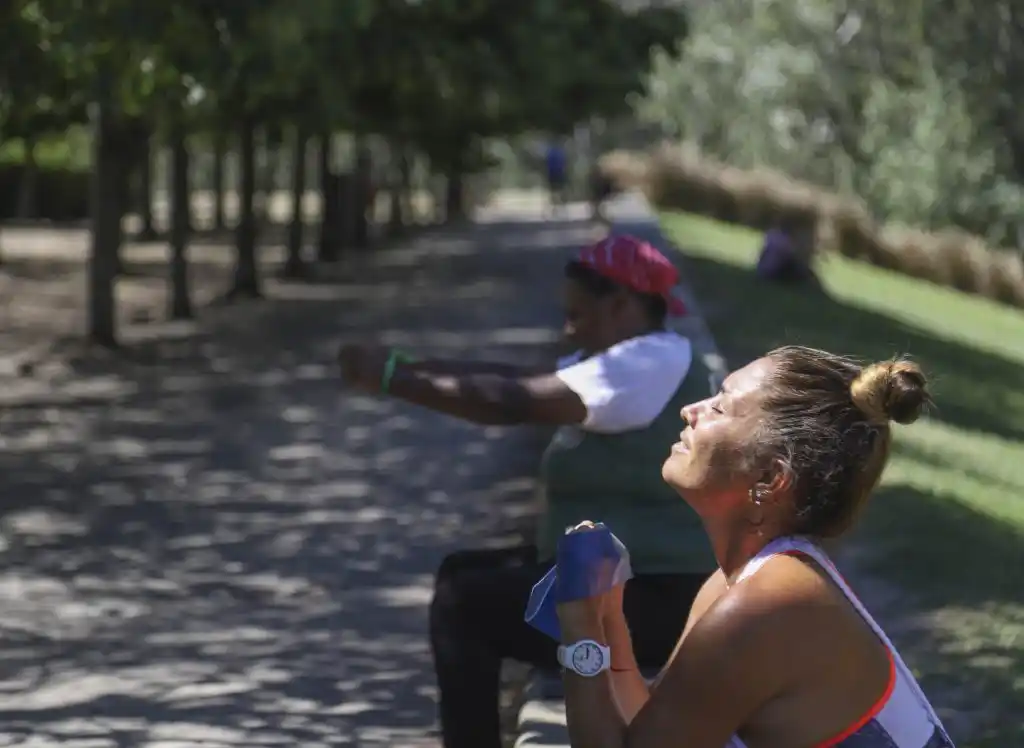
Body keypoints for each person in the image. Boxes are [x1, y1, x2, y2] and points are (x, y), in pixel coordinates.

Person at [337, 234, 719, 748]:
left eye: (578, 315)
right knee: (461, 572)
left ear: (622, 304)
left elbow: (512, 403)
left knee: (463, 604)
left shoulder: (641, 364)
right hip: (638, 582)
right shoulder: (641, 358)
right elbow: (514, 379)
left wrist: (391, 380)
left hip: (657, 598)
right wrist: (408, 366)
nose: (569, 329)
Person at [556, 347, 955, 748]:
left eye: (721, 408)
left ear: (770, 478)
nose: (691, 410)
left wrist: (582, 634)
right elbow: (655, 726)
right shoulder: (739, 583)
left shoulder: (769, 604)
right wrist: (605, 619)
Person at [755, 220, 814, 284]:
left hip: (761, 269)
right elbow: (791, 255)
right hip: (773, 271)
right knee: (796, 265)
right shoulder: (785, 240)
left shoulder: (771, 235)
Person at [545, 140, 569, 212]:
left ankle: (555, 206)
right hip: (559, 173)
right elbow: (564, 164)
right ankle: (558, 205)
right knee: (559, 190)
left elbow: (547, 164)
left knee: (554, 190)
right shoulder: (560, 152)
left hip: (552, 173)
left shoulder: (550, 152)